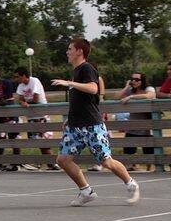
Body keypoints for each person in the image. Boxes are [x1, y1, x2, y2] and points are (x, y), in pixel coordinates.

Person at [51, 38, 139, 206]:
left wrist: (69, 83)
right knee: (63, 159)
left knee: (106, 161)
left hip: (92, 125)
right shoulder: (76, 71)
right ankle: (86, 191)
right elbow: (80, 100)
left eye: (70, 49)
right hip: (75, 126)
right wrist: (70, 119)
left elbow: (93, 88)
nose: (67, 52)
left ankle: (131, 183)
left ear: (79, 51)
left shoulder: (86, 68)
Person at [13, 66, 52, 168]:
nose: (16, 79)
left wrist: (25, 102)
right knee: (37, 141)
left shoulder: (34, 81)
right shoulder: (21, 86)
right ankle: (49, 163)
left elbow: (36, 99)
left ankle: (52, 163)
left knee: (44, 141)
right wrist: (23, 102)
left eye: (18, 77)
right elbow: (20, 99)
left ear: (24, 76)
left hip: (41, 115)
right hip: (31, 117)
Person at [118, 72, 156, 170]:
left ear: (142, 81)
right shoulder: (130, 90)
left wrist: (131, 97)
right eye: (132, 79)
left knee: (148, 150)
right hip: (132, 125)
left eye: (137, 80)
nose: (134, 81)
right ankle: (134, 166)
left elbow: (149, 96)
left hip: (146, 125)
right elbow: (116, 97)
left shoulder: (149, 88)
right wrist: (126, 87)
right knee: (128, 149)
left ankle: (150, 169)